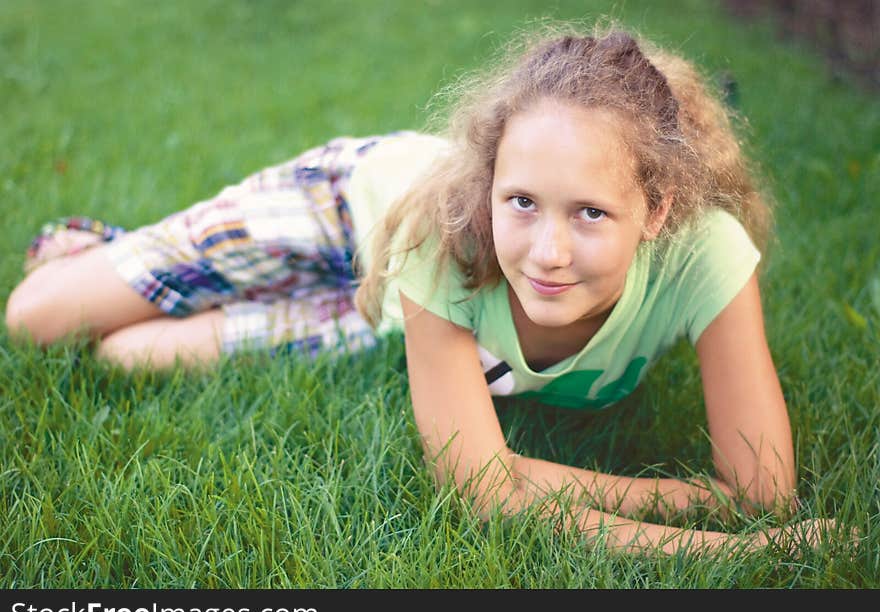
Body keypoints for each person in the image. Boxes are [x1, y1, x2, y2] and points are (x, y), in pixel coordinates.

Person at [4, 26, 842, 555]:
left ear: (656, 208)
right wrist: (716, 529)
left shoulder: (707, 256)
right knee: (39, 319)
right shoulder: (451, 228)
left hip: (404, 309)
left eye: (590, 212)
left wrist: (518, 472)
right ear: (488, 185)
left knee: (130, 351)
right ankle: (105, 252)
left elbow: (764, 490)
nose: (549, 251)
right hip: (344, 209)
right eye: (522, 201)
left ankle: (388, 319)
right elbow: (481, 493)